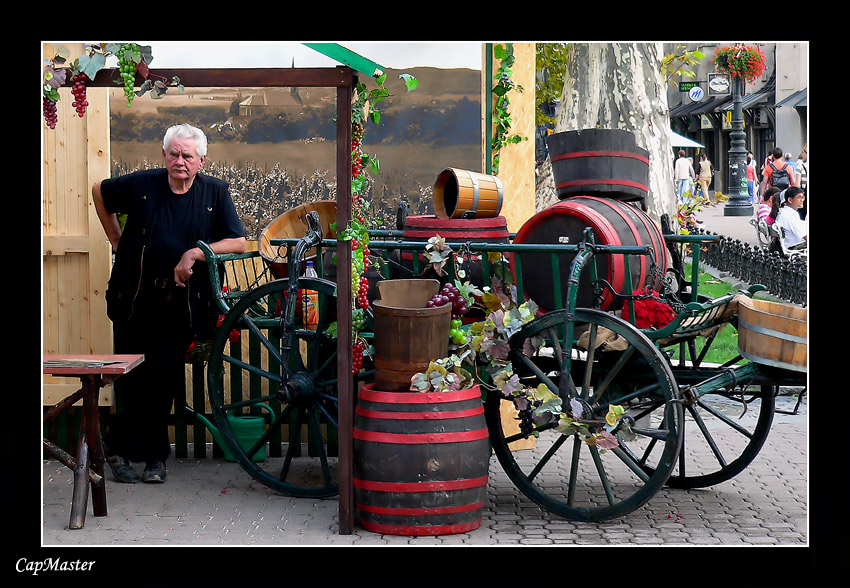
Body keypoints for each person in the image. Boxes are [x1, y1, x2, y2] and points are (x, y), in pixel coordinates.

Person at [92, 123, 246, 483]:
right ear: (164, 155)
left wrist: (196, 253)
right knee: (131, 379)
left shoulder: (214, 193)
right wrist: (116, 239)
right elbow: (100, 191)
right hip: (133, 299)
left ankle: (136, 452)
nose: (180, 161)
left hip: (181, 304)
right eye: (174, 153)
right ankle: (143, 457)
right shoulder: (143, 185)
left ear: (201, 160)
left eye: (187, 156)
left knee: (165, 380)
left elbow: (237, 241)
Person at [795, 146, 808, 220]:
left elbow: (797, 185)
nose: (802, 154)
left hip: (804, 196)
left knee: (802, 217)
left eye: (803, 152)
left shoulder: (801, 167)